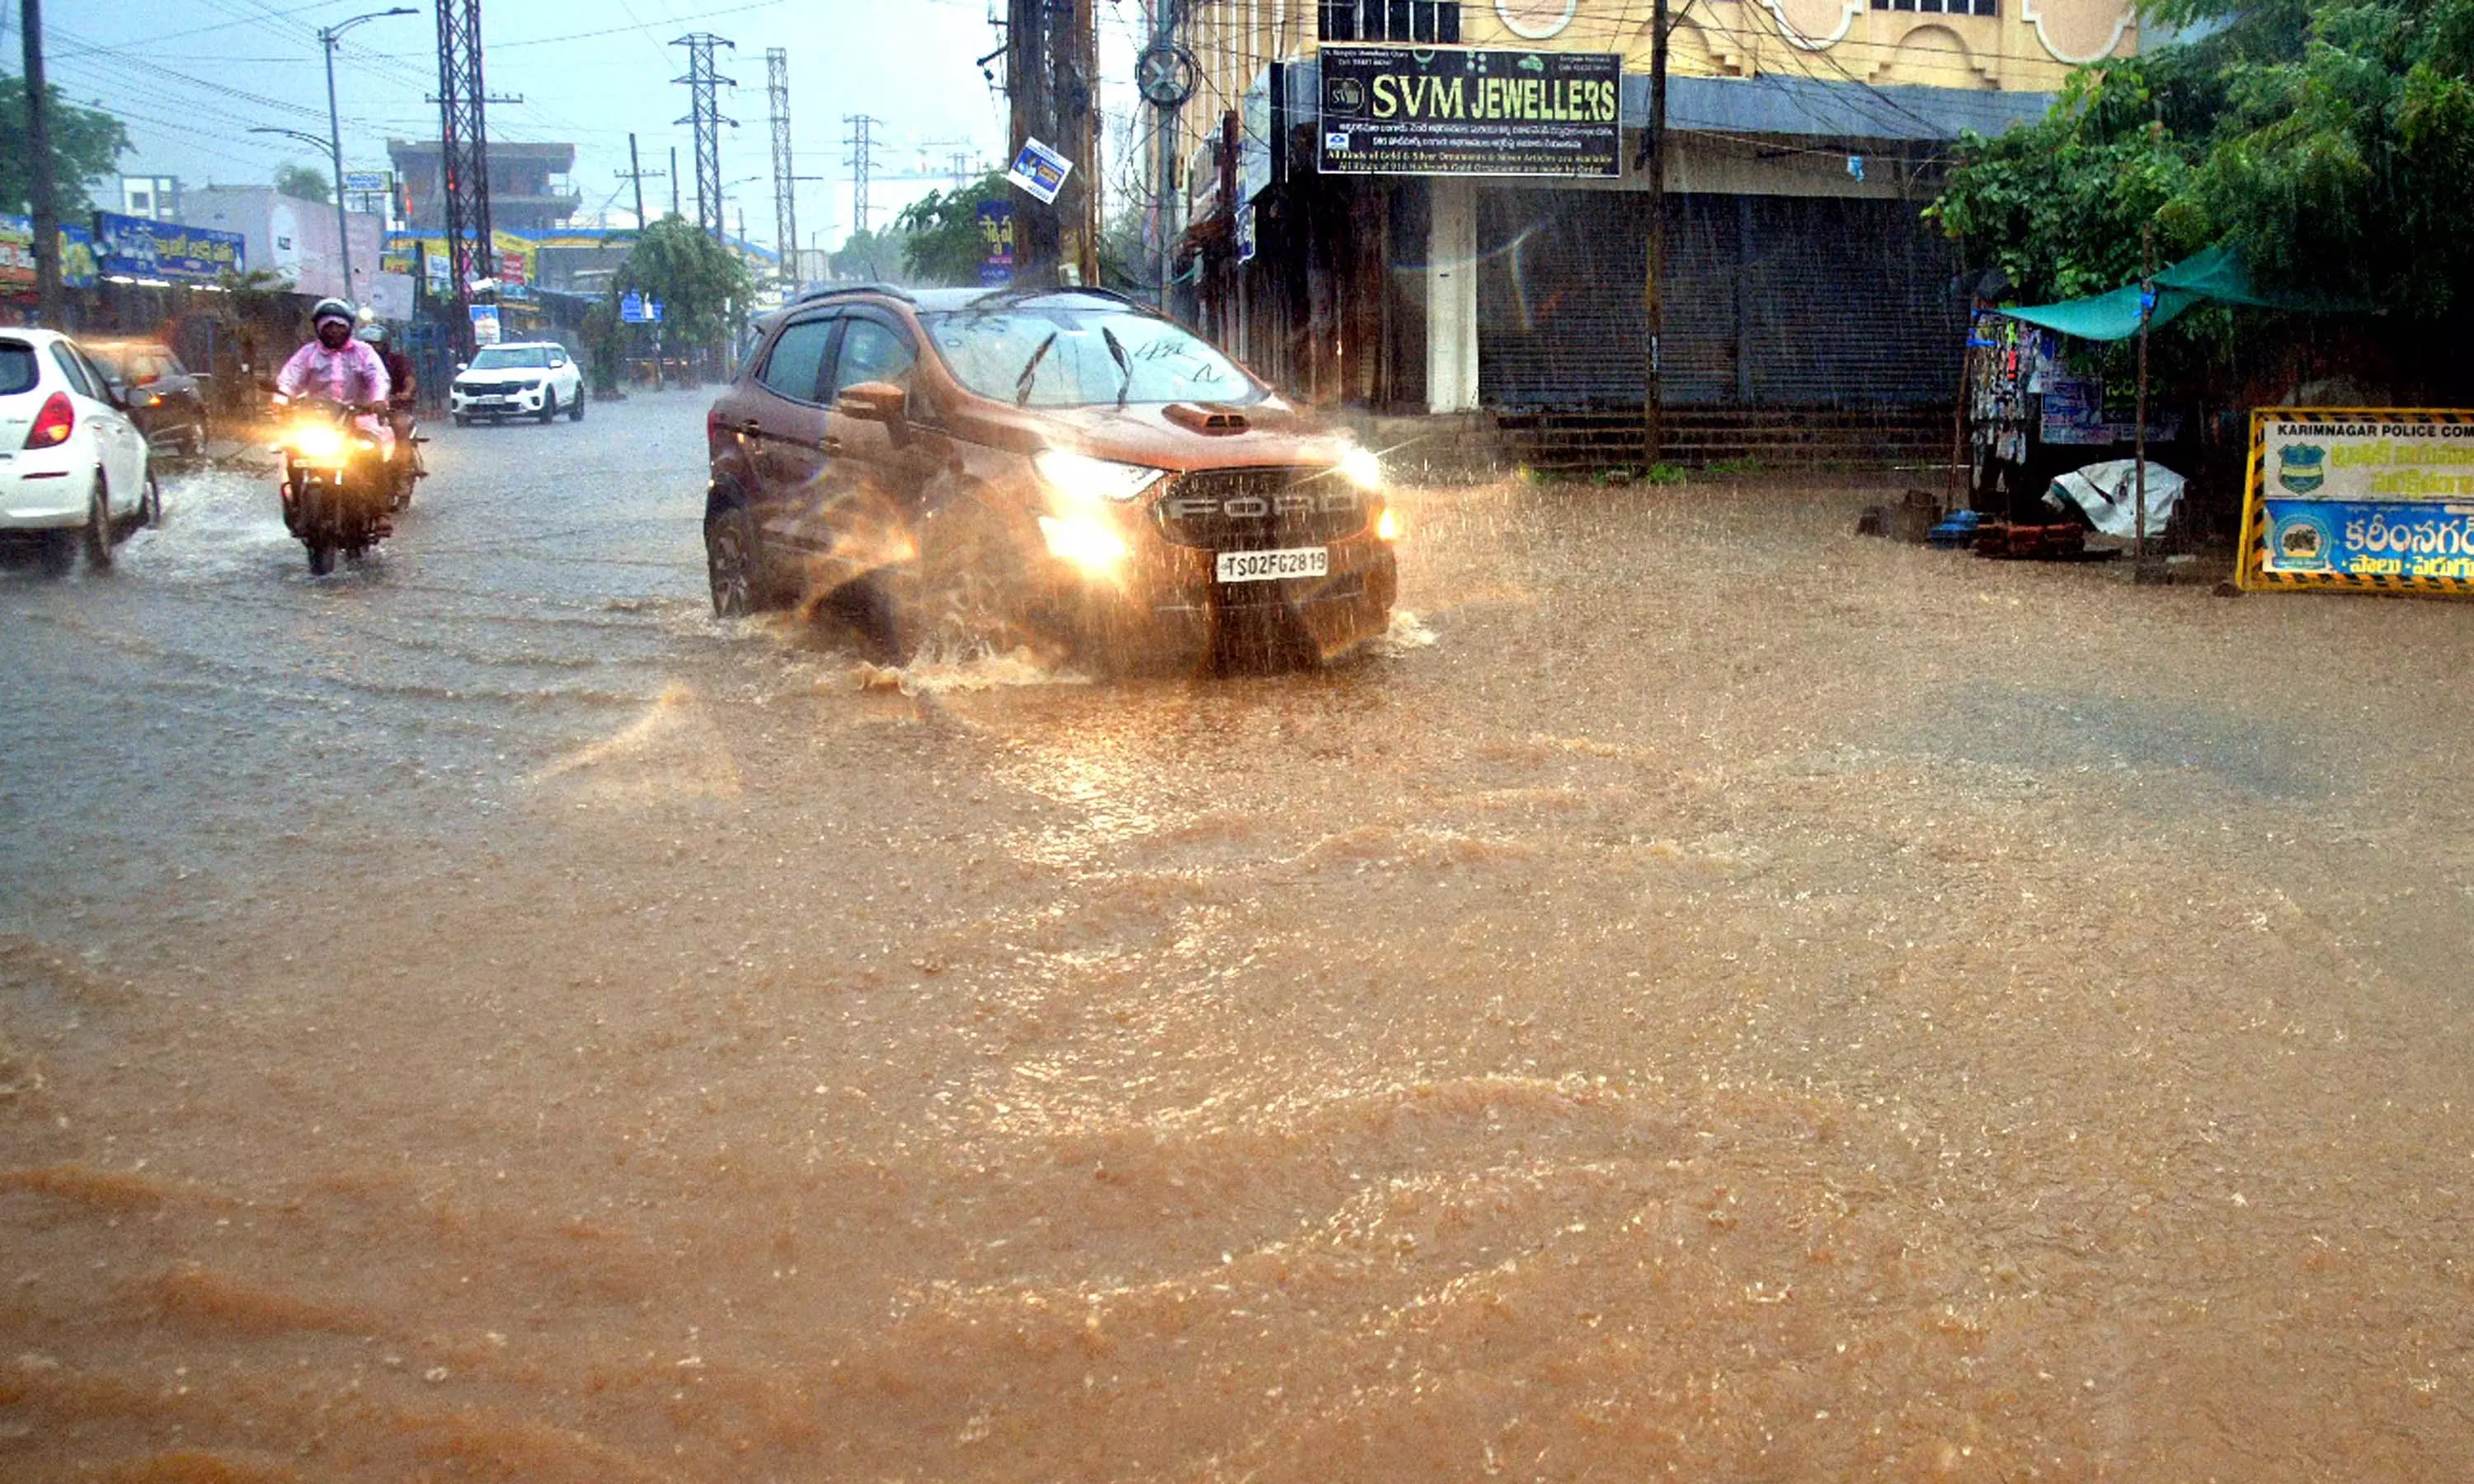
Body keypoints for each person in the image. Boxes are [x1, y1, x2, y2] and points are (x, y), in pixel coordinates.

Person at [275, 298, 392, 459]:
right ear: (318, 328)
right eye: (328, 326)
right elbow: (290, 377)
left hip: (358, 417)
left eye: (339, 326)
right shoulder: (307, 353)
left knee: (371, 451)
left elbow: (377, 377)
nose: (334, 331)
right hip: (316, 419)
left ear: (348, 327)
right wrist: (281, 399)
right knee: (292, 450)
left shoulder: (364, 352)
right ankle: (296, 483)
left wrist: (378, 400)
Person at [356, 322, 417, 476]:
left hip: (392, 407)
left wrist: (406, 393)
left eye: (375, 344)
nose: (370, 348)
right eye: (366, 344)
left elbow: (409, 380)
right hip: (358, 409)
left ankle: (402, 471)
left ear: (385, 345)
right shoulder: (352, 361)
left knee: (400, 427)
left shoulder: (397, 361)